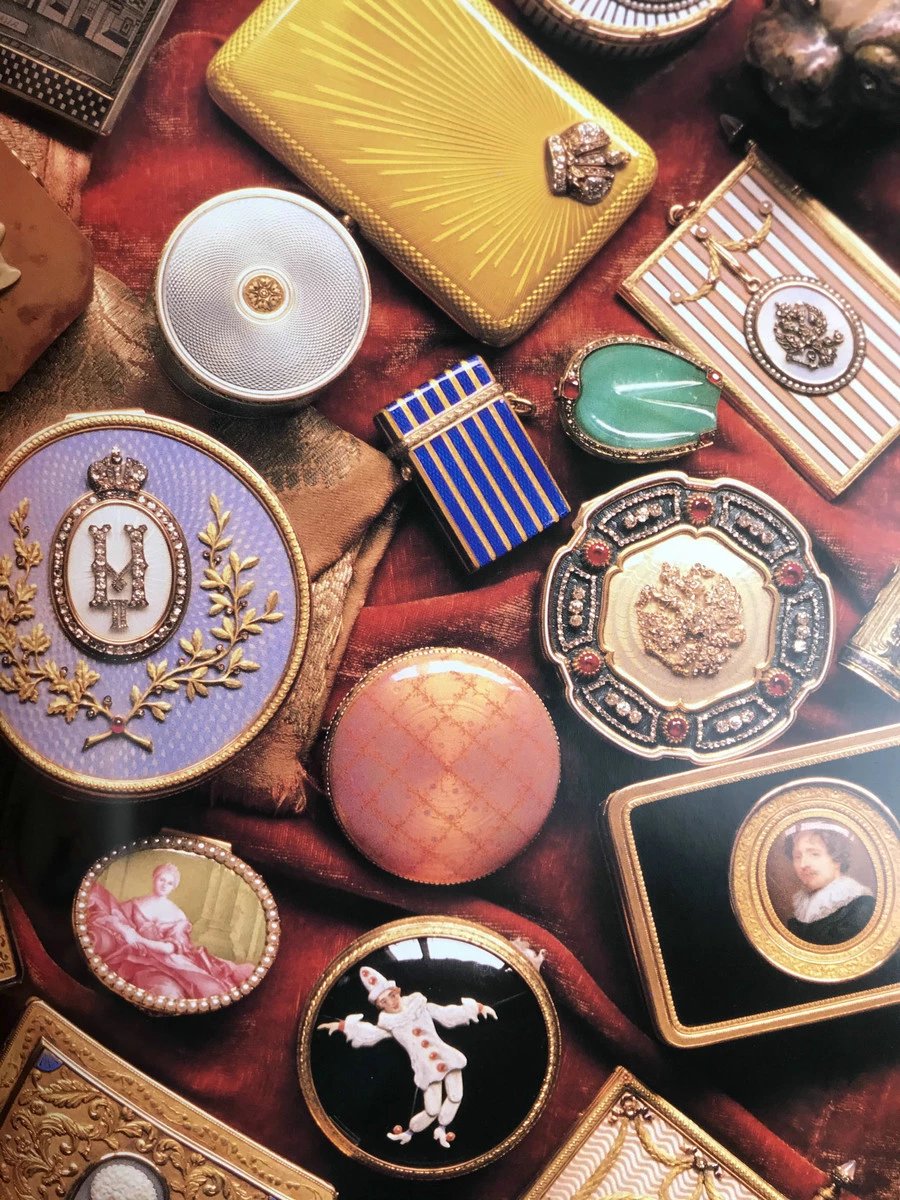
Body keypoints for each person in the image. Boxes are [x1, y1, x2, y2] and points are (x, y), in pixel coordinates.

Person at [318, 965, 497, 1149]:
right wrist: (343, 1026)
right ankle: (410, 1132)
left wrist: (476, 1008)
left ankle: (442, 1128)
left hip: (448, 1057)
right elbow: (369, 1033)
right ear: (380, 1005)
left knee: (455, 1095)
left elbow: (446, 1013)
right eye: (384, 1001)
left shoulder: (420, 1006)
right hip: (427, 1069)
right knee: (432, 1109)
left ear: (398, 992)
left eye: (392, 995)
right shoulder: (390, 1024)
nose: (392, 1002)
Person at [87, 862, 254, 999]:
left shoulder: (177, 914)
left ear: (174, 887)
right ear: (154, 878)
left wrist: (138, 939)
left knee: (197, 987)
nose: (164, 885)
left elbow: (170, 948)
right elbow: (116, 918)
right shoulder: (136, 903)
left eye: (169, 883)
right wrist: (123, 931)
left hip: (167, 960)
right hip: (132, 953)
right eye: (162, 879)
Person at [783, 821, 875, 945]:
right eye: (797, 856)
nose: (803, 864)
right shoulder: (801, 909)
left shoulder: (862, 907)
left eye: (814, 854)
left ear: (837, 859)